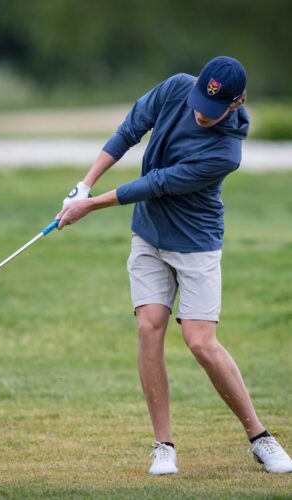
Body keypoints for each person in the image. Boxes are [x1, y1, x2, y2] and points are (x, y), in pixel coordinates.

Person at [57, 56, 292, 475]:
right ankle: (163, 445)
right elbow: (130, 128)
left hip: (195, 243)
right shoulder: (176, 88)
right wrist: (85, 182)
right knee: (149, 327)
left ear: (236, 103)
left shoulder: (226, 151)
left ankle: (260, 437)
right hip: (149, 235)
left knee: (201, 343)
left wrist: (89, 206)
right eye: (200, 100)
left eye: (213, 109)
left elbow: (158, 184)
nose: (202, 112)